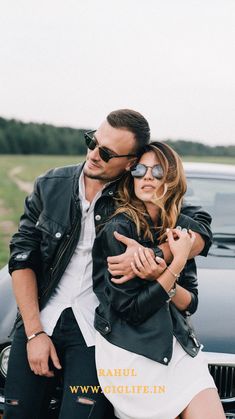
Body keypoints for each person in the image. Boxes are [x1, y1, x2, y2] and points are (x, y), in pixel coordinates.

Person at [5, 109, 213, 419]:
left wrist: (154, 254)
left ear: (130, 163)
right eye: (92, 142)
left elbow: (197, 225)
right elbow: (21, 256)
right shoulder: (50, 184)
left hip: (98, 330)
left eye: (106, 152)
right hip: (41, 317)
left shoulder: (135, 194)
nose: (93, 155)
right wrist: (35, 334)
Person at [93, 142, 225, 419]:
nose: (147, 176)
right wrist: (175, 263)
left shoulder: (179, 227)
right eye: (140, 169)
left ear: (172, 177)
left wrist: (162, 275)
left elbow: (190, 303)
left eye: (157, 170)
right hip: (132, 351)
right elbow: (131, 310)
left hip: (178, 346)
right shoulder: (119, 229)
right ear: (132, 176)